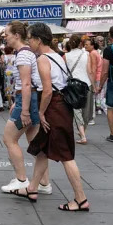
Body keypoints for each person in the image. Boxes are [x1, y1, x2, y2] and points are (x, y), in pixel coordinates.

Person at [11, 23, 90, 212]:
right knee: (43, 150)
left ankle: (80, 199)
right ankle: (32, 189)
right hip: (61, 106)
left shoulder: (43, 59)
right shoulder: (57, 56)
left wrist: (40, 112)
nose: (28, 42)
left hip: (54, 107)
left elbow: (47, 91)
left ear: (38, 40)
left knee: (65, 156)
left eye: (30, 38)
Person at [0, 21, 51, 196]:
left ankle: (21, 180)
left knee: (9, 139)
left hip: (28, 100)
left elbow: (26, 83)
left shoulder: (22, 55)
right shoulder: (28, 52)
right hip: (31, 98)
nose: (4, 37)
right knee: (35, 143)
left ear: (16, 35)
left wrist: (24, 109)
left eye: (6, 34)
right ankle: (44, 183)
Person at [64, 34, 94, 144]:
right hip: (86, 84)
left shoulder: (66, 56)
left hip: (73, 85)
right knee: (87, 111)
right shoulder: (87, 54)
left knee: (76, 110)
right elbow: (90, 71)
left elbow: (65, 72)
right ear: (81, 43)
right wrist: (94, 85)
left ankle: (82, 135)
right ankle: (83, 132)